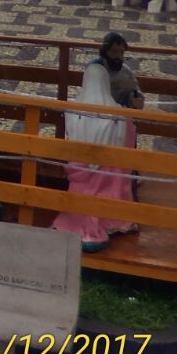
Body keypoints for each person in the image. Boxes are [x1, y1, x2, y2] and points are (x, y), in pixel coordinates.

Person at [51, 32, 142, 252]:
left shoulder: (73, 110)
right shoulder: (118, 116)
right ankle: (111, 219)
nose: (118, 55)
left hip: (80, 171)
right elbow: (126, 145)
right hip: (106, 177)